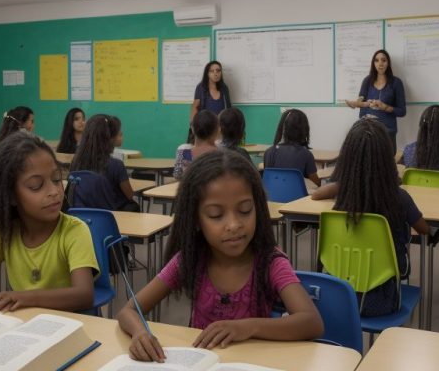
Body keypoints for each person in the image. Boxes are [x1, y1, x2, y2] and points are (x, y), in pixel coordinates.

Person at [117, 150, 323, 362]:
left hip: (251, 363)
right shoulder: (191, 258)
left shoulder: (269, 261)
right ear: (195, 219)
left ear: (258, 209)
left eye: (245, 210)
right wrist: (140, 333)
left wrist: (247, 327)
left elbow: (311, 322)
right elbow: (128, 311)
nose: (234, 225)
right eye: (216, 215)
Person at [0, 131, 98, 312]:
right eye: (36, 186)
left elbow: (84, 296)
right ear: (11, 196)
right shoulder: (4, 234)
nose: (54, 191)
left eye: (56, 179)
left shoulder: (74, 231)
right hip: (28, 327)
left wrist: (23, 297)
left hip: (70, 325)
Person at [311, 119, 430, 315]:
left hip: (338, 297)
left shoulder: (344, 196)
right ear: (387, 157)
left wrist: (345, 182)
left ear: (347, 158)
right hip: (383, 301)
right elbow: (425, 229)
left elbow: (316, 194)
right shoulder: (399, 197)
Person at [69, 115, 139, 212]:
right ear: (110, 138)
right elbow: (130, 195)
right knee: (134, 205)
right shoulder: (116, 165)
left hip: (82, 217)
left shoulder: (76, 162)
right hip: (112, 218)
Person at [344, 50, 407, 152]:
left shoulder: (396, 83)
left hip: (387, 132)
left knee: (385, 163)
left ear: (388, 63)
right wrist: (356, 103)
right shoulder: (367, 80)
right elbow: (361, 99)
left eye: (383, 60)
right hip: (367, 131)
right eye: (376, 61)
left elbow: (402, 111)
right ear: (373, 64)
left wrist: (385, 107)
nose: (380, 64)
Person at [263, 109, 319, 186]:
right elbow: (315, 183)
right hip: (298, 197)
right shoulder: (306, 154)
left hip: (272, 197)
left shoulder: (268, 152)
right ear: (304, 130)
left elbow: (269, 179)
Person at [174, 110, 219, 180]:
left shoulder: (184, 152)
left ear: (192, 128)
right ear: (217, 130)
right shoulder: (222, 154)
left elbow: (177, 176)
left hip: (190, 190)